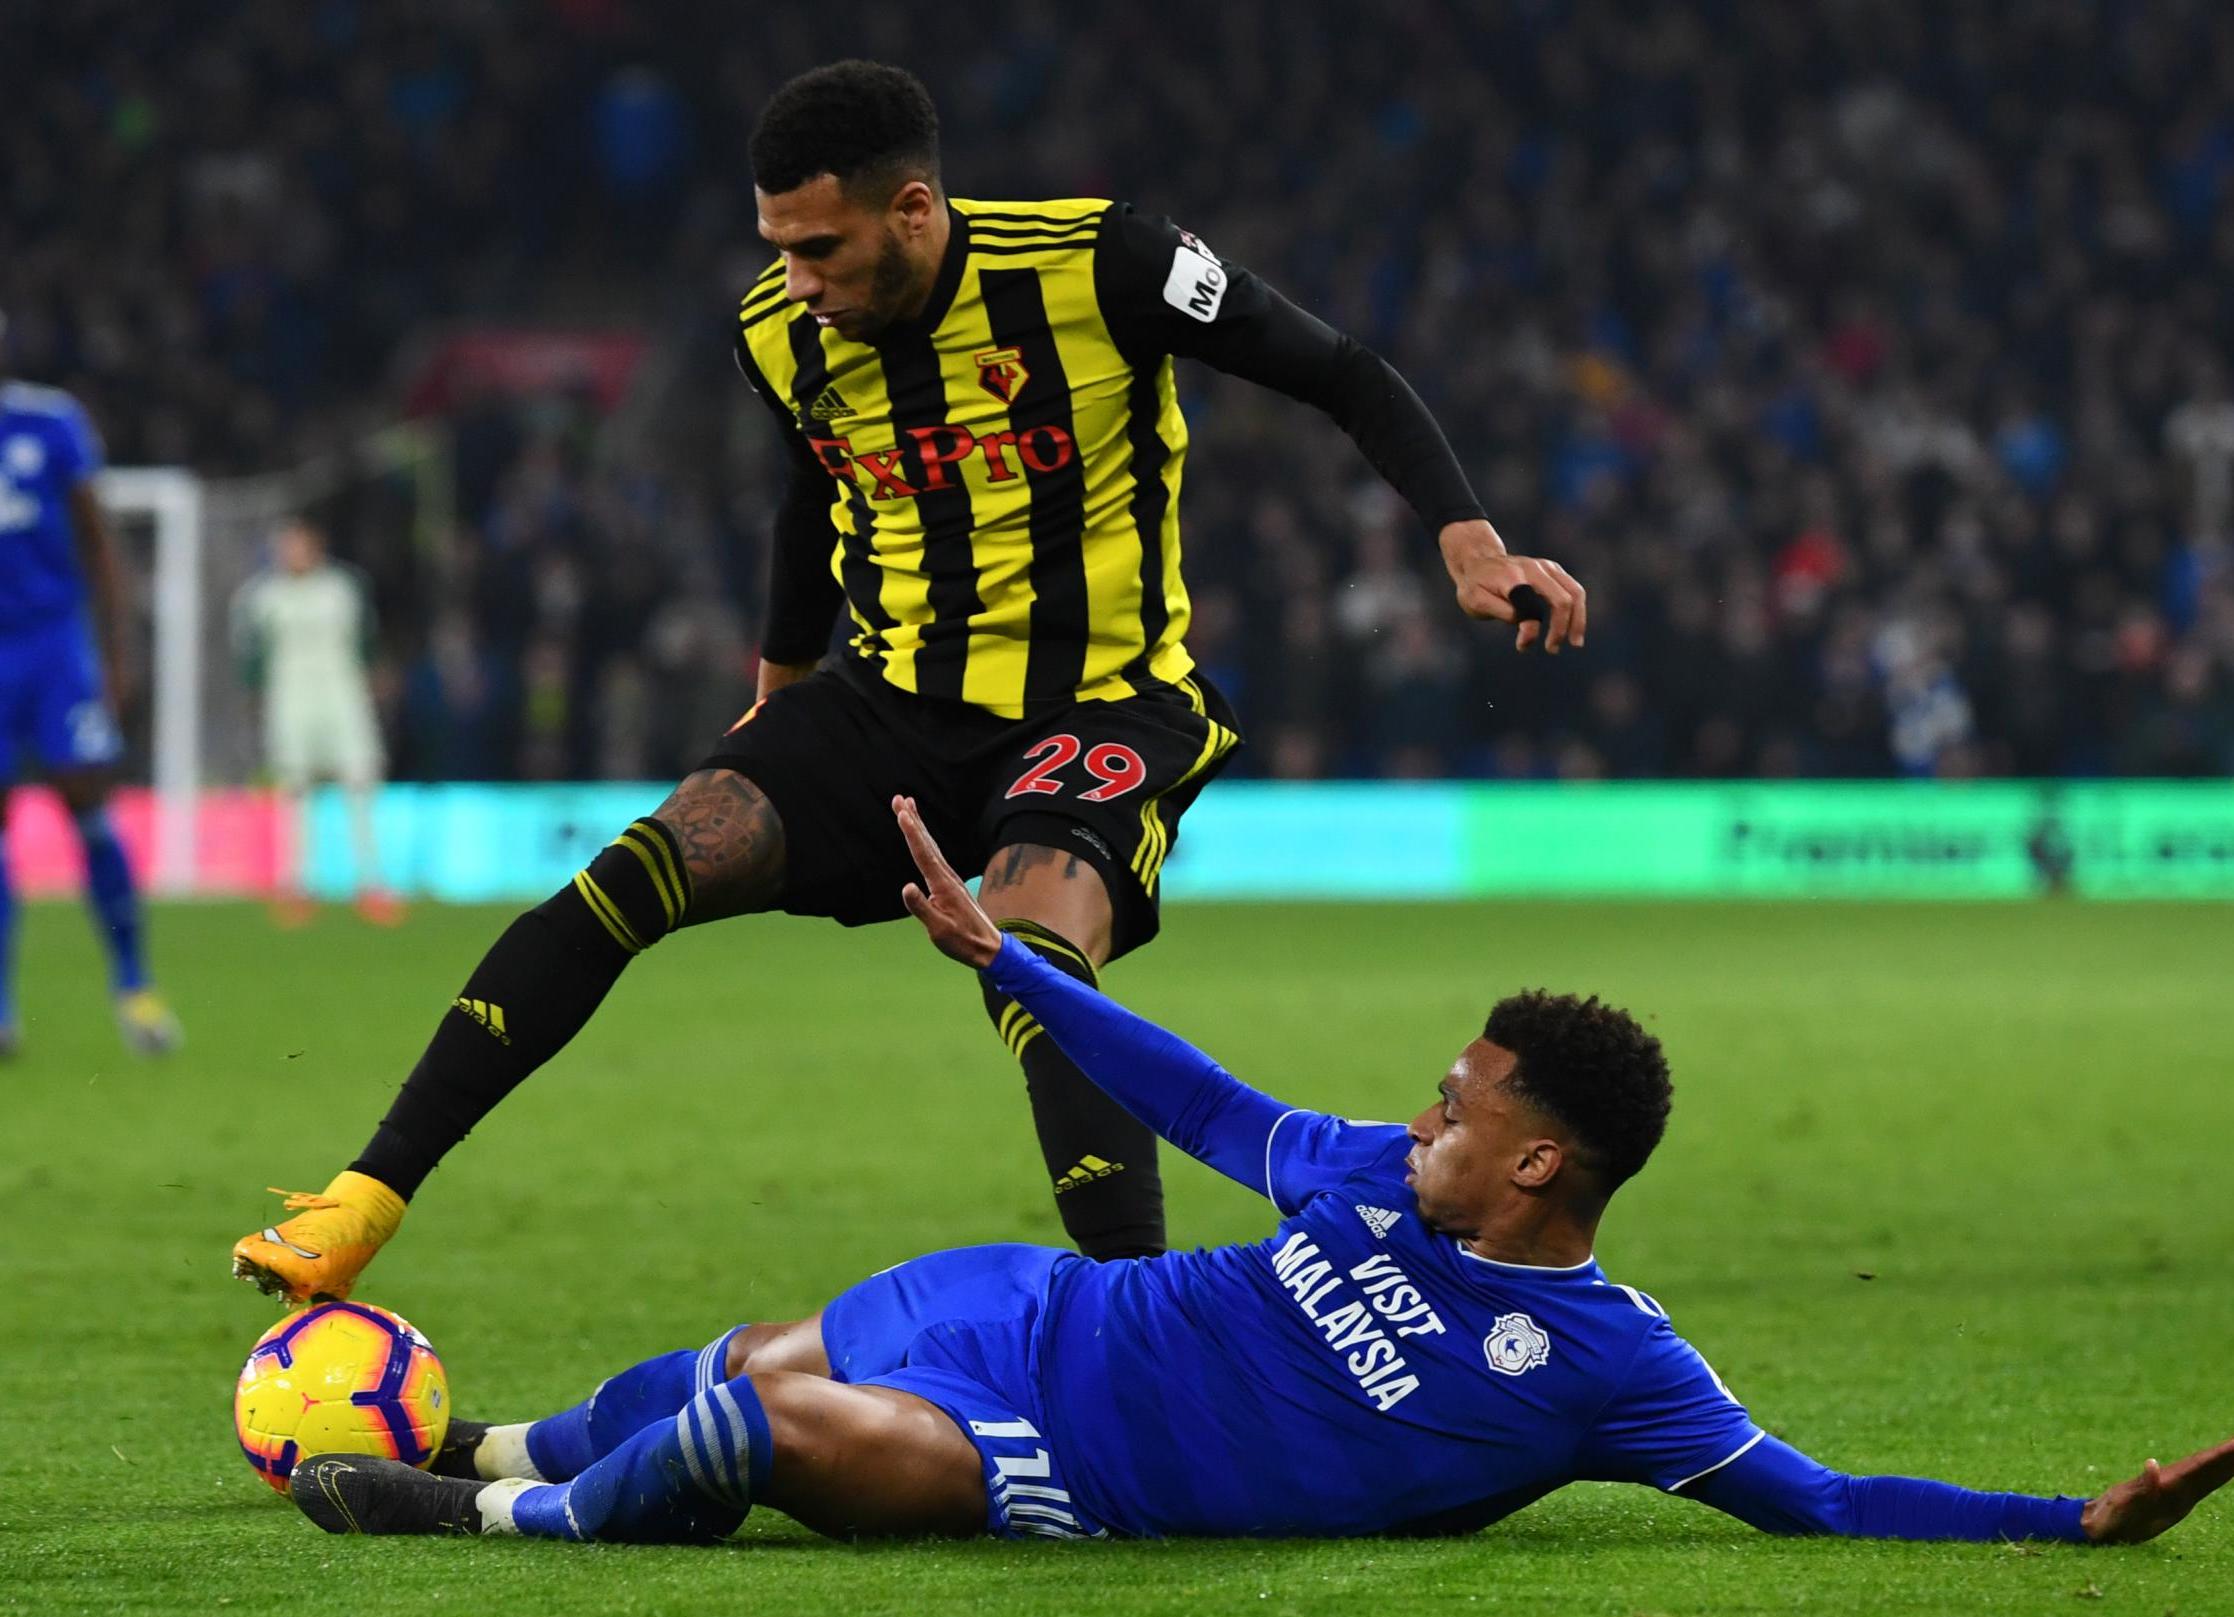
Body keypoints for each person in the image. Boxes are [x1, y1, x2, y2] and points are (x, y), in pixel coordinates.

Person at [231, 60, 1585, 1300]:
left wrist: (1467, 542)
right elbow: (808, 506)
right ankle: (362, 1198)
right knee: (643, 865)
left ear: (915, 210)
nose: (797, 278)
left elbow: (1341, 372)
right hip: (887, 706)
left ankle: (1139, 1315)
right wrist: (775, 687)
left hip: (1103, 702)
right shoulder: (781, 334)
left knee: (1031, 943)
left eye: (820, 247)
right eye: (778, 249)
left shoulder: (1106, 261)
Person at [288, 796, 2232, 1549]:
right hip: (1034, 1308)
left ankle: (483, 1528)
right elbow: (1199, 1096)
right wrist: (1013, 971)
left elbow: (1816, 1499)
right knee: (733, 1354)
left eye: (1461, 1101)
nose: (1426, 1110)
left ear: (1539, 1157)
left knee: (770, 1417)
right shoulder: (1374, 1175)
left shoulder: (1615, 1375)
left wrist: (2064, 1522)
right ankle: (500, 1446)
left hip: (1071, 1466)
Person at [0, 312, 182, 1059]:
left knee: (88, 804)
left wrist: (118, 654)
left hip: (52, 647)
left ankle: (134, 986)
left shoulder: (51, 423)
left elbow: (98, 542)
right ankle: (2, 1011)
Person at [230, 516, 401, 927]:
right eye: (284, 545)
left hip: (343, 697)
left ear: (316, 546)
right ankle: (296, 887)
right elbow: (250, 661)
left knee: (360, 783)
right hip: (289, 701)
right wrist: (255, 704)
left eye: (297, 544)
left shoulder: (343, 588)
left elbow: (367, 644)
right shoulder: (261, 597)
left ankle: (372, 884)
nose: (290, 553)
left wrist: (378, 683)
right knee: (294, 791)